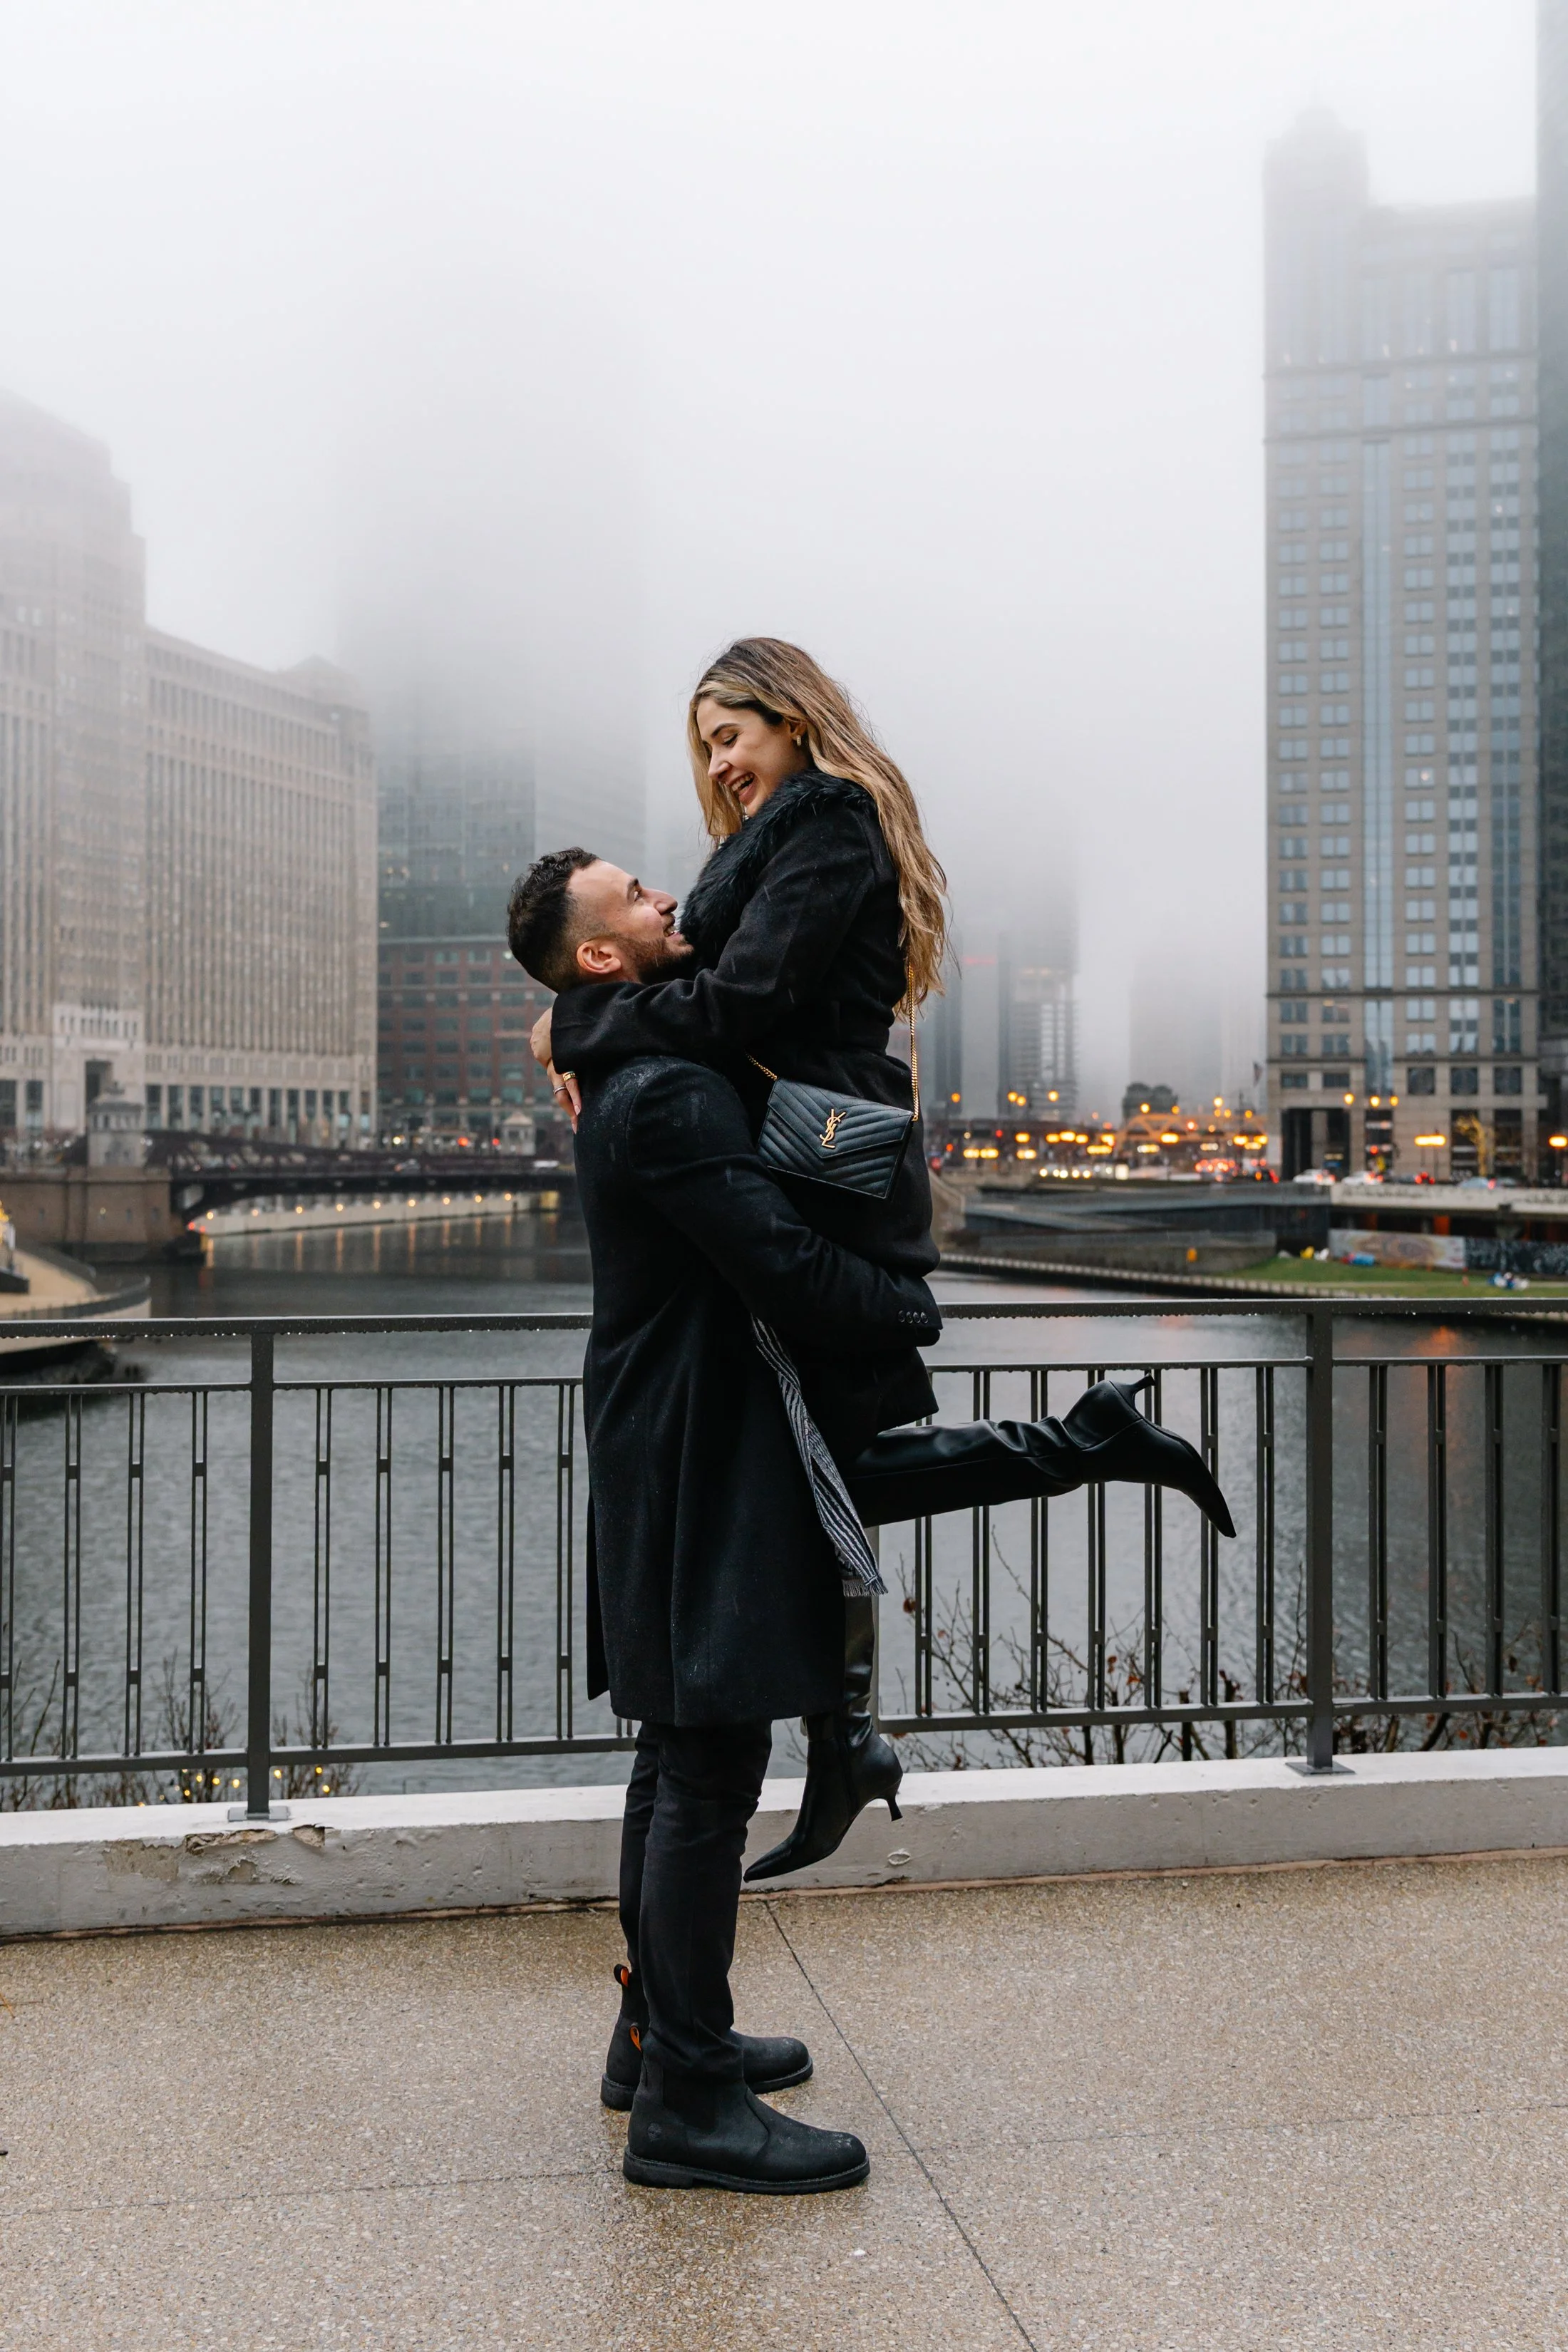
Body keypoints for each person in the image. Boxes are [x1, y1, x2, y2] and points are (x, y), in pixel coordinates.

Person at [507, 847, 1235, 2192]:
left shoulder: (634, 1056)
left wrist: (567, 1022)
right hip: (694, 1446)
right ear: (601, 954)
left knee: (681, 1765)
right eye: (638, 902)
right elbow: (776, 1261)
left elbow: (686, 1006)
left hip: (688, 1431)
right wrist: (908, 1307)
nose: (670, 900)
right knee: (705, 1773)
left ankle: (658, 2041)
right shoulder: (660, 1093)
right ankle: (686, 2097)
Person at [530, 640, 1232, 1877]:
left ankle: (850, 1727)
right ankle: (855, 1721)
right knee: (820, 1463)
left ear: (792, 720)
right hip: (802, 1147)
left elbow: (739, 1003)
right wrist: (572, 1015)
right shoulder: (769, 845)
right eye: (701, 745)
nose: (717, 762)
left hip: (823, 1155)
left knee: (812, 1457)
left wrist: (581, 1020)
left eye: (730, 734)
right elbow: (686, 965)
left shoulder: (829, 826)